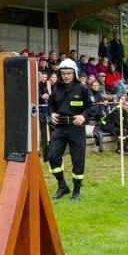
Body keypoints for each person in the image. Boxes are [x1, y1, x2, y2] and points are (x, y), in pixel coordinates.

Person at [47, 58, 98, 201]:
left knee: (78, 160)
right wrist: (52, 114)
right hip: (60, 128)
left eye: (69, 73)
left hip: (77, 129)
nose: (66, 76)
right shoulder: (57, 89)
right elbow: (50, 105)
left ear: (74, 73)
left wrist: (83, 116)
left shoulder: (83, 88)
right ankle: (62, 185)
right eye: (63, 73)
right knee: (52, 156)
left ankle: (76, 191)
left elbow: (93, 107)